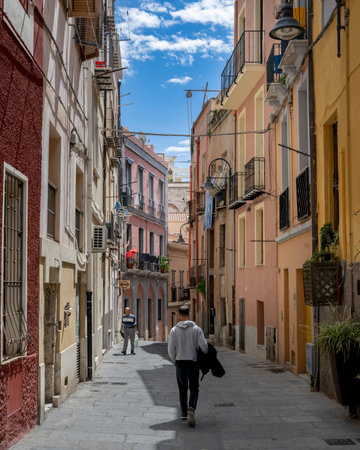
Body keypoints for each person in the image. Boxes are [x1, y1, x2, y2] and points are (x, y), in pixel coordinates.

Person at [168, 305, 208, 427]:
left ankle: (184, 413)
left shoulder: (174, 330)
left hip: (180, 362)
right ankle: (191, 407)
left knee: (182, 388)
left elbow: (170, 349)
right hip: (193, 362)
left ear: (179, 315)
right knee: (194, 387)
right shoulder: (197, 329)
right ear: (189, 314)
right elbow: (204, 347)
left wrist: (175, 360)